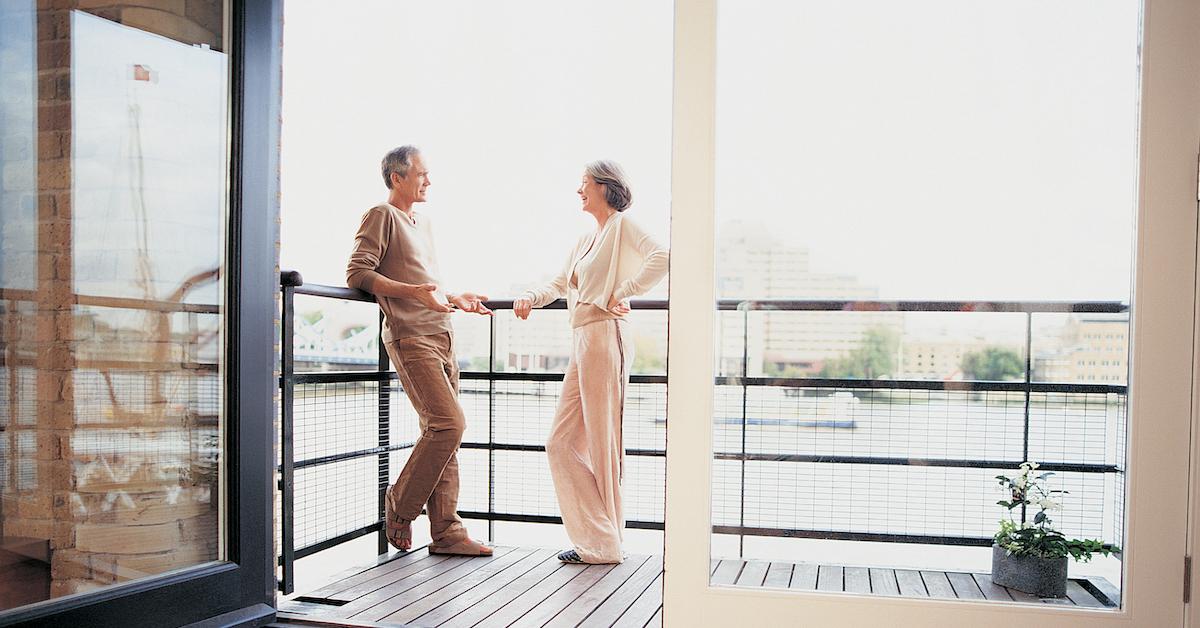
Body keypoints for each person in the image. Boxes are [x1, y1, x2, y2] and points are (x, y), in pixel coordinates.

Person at [514, 160, 669, 564]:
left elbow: (663, 256)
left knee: (603, 444)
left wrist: (624, 290)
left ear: (604, 186)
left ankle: (603, 544)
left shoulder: (622, 225)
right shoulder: (586, 239)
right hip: (583, 338)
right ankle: (598, 538)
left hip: (606, 336)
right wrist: (531, 296)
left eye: (583, 183)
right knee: (560, 443)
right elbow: (559, 282)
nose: (578, 190)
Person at [346, 145, 493, 556]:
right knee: (449, 425)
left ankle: (447, 532)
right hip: (411, 335)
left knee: (444, 435)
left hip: (442, 332)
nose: (429, 181)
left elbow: (425, 284)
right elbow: (358, 272)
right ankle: (400, 504)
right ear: (398, 178)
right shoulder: (382, 215)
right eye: (422, 174)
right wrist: (414, 294)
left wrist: (454, 297)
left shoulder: (422, 222)